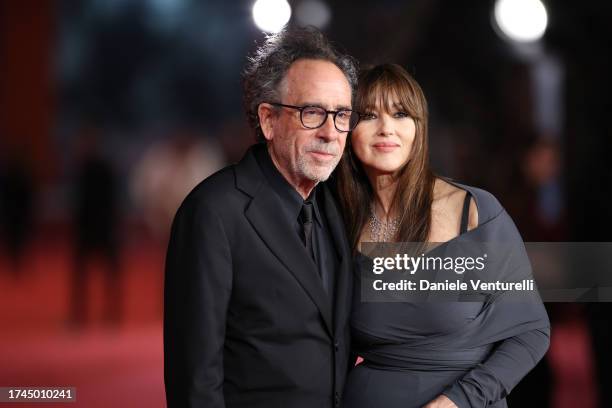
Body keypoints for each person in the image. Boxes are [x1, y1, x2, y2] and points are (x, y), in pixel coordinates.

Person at [164, 26, 359, 408]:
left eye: (342, 115)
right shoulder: (214, 212)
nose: (330, 132)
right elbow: (194, 378)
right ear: (268, 120)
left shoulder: (337, 207)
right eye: (312, 112)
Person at [335, 64, 550, 408]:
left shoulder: (477, 212)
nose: (386, 128)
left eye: (400, 113)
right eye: (369, 115)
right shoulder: (339, 220)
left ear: (419, 128)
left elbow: (531, 332)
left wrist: (457, 401)